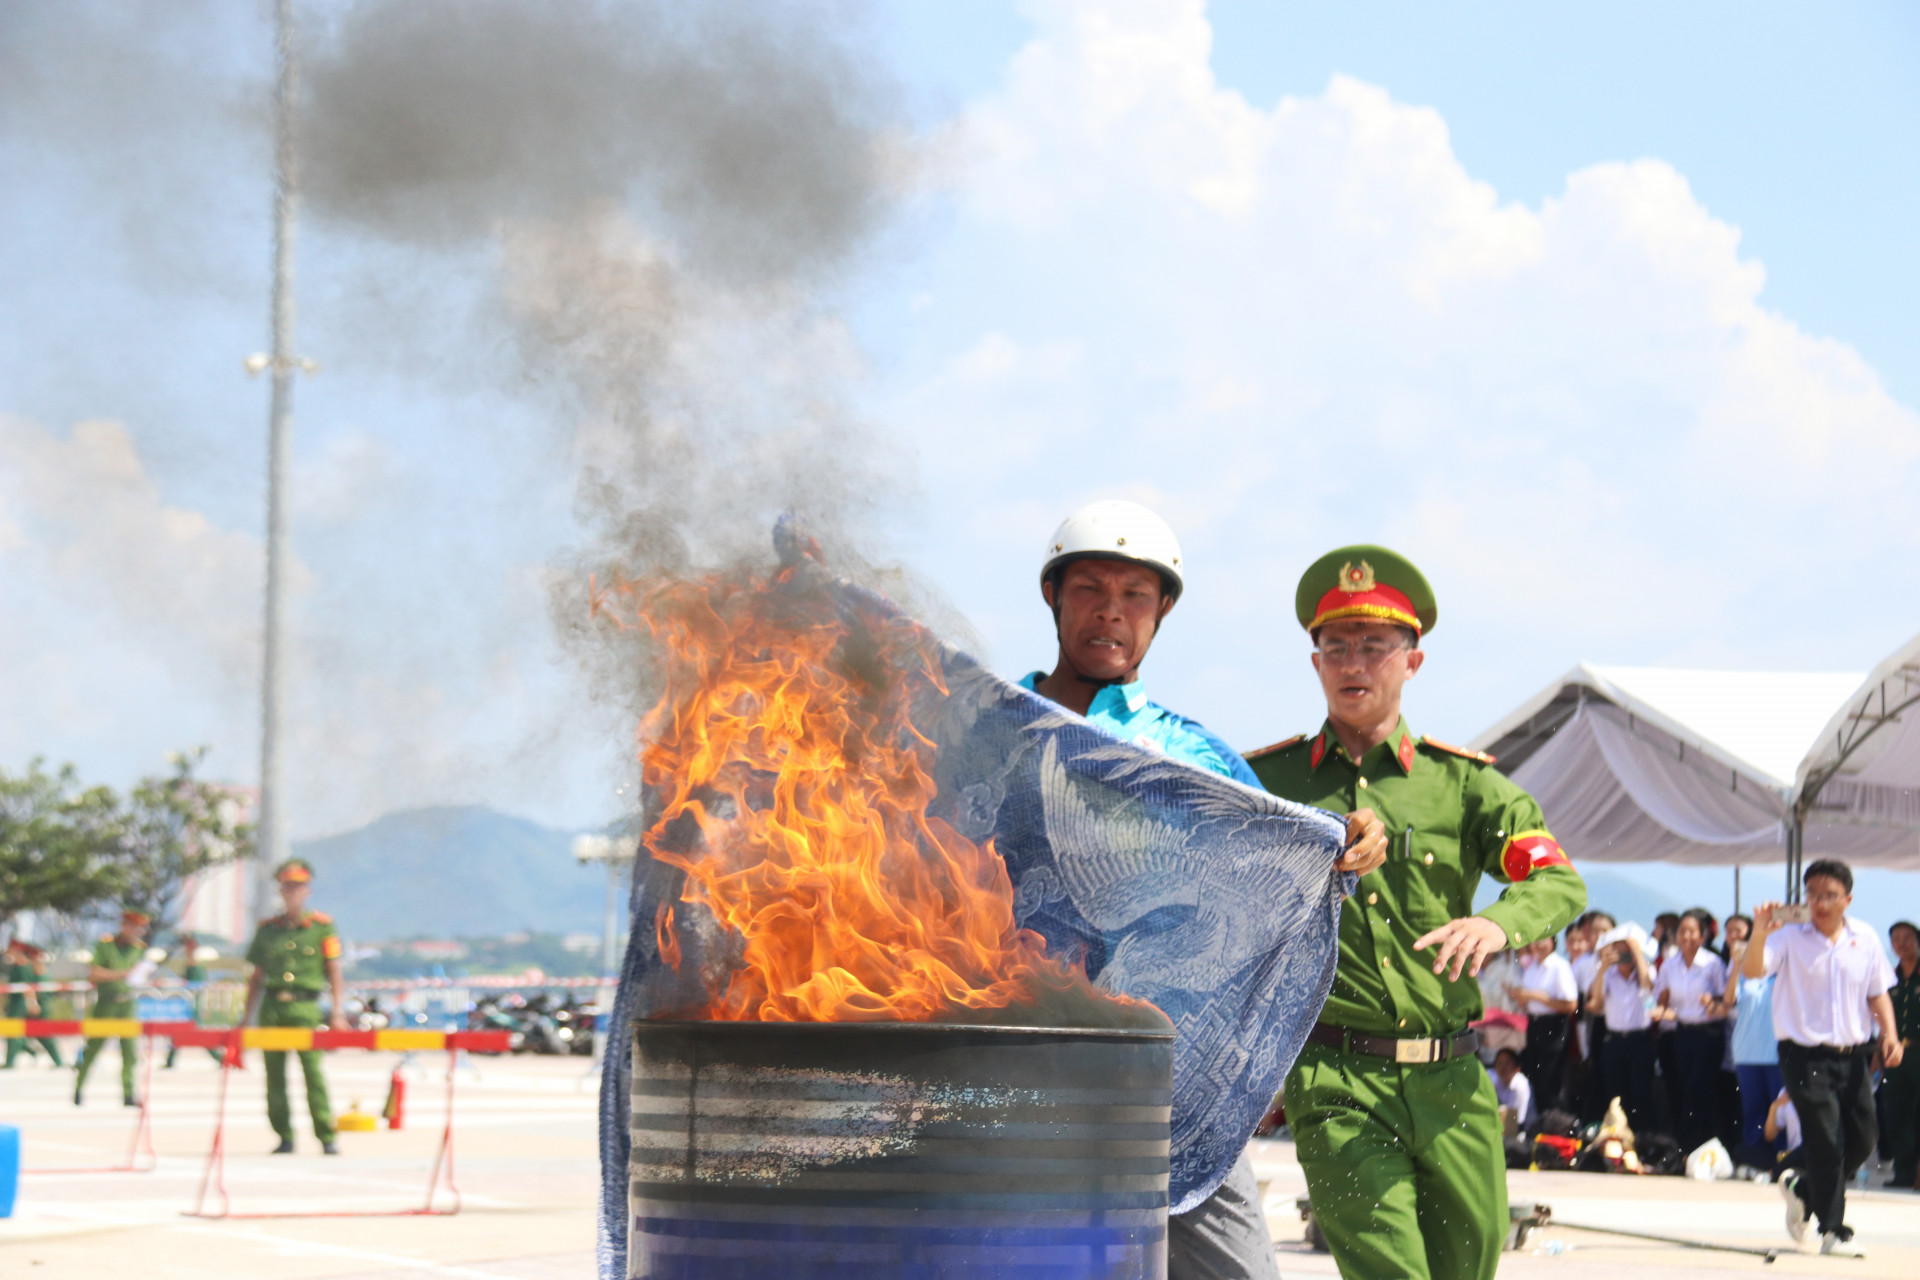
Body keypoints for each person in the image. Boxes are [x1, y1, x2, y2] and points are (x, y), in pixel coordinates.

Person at [1022, 502, 1389, 1280]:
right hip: (1016, 1066)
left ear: (1161, 615)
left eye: (1136, 597)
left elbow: (1282, 875)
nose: (1111, 612)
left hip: (1170, 1084)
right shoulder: (993, 725)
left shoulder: (1192, 755)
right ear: (1053, 598)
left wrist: (1350, 844)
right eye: (1090, 588)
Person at [1247, 545, 1585, 1280]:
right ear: (1315, 664)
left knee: (1469, 1265)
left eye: (1374, 646)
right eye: (1335, 647)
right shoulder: (1267, 782)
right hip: (1336, 1079)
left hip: (1455, 1083)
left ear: (1413, 661)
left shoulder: (1462, 785)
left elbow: (1558, 882)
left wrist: (1497, 922)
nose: (1353, 663)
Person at [1745, 861, 1903, 1256]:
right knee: (1825, 1138)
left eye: (1830, 895)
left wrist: (1891, 1035)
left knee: (1864, 1137)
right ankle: (1833, 1230)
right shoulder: (1789, 938)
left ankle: (1803, 1188)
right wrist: (1760, 933)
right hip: (1803, 1054)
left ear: (1847, 899)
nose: (1820, 903)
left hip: (1853, 1056)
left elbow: (1877, 991)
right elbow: (1752, 971)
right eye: (1813, 894)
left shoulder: (1864, 937)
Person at [245, 858, 348, 1155]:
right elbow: (256, 977)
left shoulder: (321, 927)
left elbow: (334, 971)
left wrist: (338, 1011)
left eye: (298, 886)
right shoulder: (268, 930)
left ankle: (326, 1135)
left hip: (305, 1008)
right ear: (281, 889)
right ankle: (284, 1135)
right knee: (274, 1076)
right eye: (288, 886)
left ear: (308, 890)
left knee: (313, 1073)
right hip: (273, 1007)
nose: (293, 892)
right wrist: (246, 1018)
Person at [1653, 908, 1728, 1154]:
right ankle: (1690, 1146)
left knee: (1699, 1090)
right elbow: (1661, 997)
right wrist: (1661, 1011)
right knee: (1684, 1089)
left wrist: (1711, 1001)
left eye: (1691, 931)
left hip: (1708, 1034)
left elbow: (1724, 998)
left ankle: (1691, 1146)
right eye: (1682, 931)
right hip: (1682, 1033)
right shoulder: (1670, 965)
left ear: (1702, 935)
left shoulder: (1712, 963)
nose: (1686, 936)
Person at [74, 909, 149, 1106]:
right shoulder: (106, 945)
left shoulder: (139, 948)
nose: (136, 930)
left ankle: (128, 1094)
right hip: (106, 1003)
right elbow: (93, 973)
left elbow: (138, 975)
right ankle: (78, 1088)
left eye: (140, 927)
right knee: (93, 1049)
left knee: (130, 1052)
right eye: (133, 926)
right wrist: (122, 974)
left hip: (128, 1004)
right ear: (124, 925)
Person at [1589, 930, 1657, 1135]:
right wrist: (1602, 968)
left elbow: (1647, 987)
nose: (1624, 957)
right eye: (1619, 952)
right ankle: (1616, 1136)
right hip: (1615, 1041)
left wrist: (1636, 951)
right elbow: (1596, 1001)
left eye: (1626, 952)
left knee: (1640, 1092)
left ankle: (1641, 1137)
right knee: (1615, 1094)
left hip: (1640, 1040)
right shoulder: (1608, 974)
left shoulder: (1647, 971)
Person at [1726, 936, 1784, 1171]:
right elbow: (1729, 999)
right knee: (1752, 1110)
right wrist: (1737, 964)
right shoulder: (1744, 975)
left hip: (1778, 1053)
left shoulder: (1783, 974)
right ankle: (1755, 1159)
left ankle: (1782, 1158)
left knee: (1780, 1110)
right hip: (1747, 1052)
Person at [1508, 935, 1578, 1115]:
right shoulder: (1532, 966)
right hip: (1534, 1023)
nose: (1537, 944)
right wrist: (1519, 996)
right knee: (1535, 1076)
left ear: (1552, 942)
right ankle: (1540, 1125)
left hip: (1554, 1026)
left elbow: (1571, 1004)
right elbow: (1528, 1000)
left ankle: (1556, 1126)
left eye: (1543, 940)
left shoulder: (1559, 966)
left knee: (1551, 1079)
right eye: (1535, 940)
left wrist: (1535, 995)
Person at [1884, 919, 1919, 1189]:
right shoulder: (1889, 977)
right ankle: (1903, 1173)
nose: (1901, 944)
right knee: (1898, 1112)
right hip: (1896, 1054)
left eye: (1906, 938)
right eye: (1895, 939)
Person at [4, 940, 65, 1069]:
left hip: (27, 1005)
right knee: (25, 1033)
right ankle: (32, 1053)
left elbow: (29, 989)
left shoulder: (27, 967)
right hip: (23, 1004)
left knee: (23, 1033)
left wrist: (32, 1004)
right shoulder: (23, 967)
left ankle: (13, 1061)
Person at [1489, 1046, 1534, 1134]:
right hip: (1504, 1128)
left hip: (1526, 1132)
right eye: (1500, 1063)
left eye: (1507, 1063)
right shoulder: (1494, 1080)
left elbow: (1516, 1121)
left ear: (1517, 1067)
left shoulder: (1520, 1086)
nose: (1503, 1067)